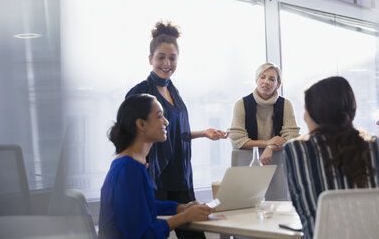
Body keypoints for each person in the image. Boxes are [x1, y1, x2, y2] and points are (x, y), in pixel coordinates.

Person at [125, 21, 227, 239]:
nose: (167, 63)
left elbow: (173, 132)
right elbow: (128, 134)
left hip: (180, 175)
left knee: (194, 234)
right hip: (156, 177)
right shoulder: (140, 93)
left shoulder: (174, 92)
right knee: (154, 232)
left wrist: (202, 133)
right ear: (150, 59)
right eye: (161, 57)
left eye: (172, 58)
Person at [283, 76, 379, 239]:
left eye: (305, 110)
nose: (304, 117)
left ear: (316, 112)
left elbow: (301, 207)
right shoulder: (373, 145)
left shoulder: (296, 149)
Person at [98, 94, 213, 239]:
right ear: (141, 124)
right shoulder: (128, 169)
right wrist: (184, 217)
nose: (166, 122)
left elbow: (146, 207)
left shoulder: (133, 164)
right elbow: (142, 236)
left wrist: (181, 208)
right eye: (159, 116)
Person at [228, 62, 300, 165]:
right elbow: (237, 140)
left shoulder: (286, 104)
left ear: (278, 84)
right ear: (256, 80)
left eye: (271, 79)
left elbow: (292, 137)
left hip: (279, 160)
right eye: (262, 77)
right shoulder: (241, 104)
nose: (266, 82)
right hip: (247, 161)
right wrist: (267, 143)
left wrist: (271, 148)